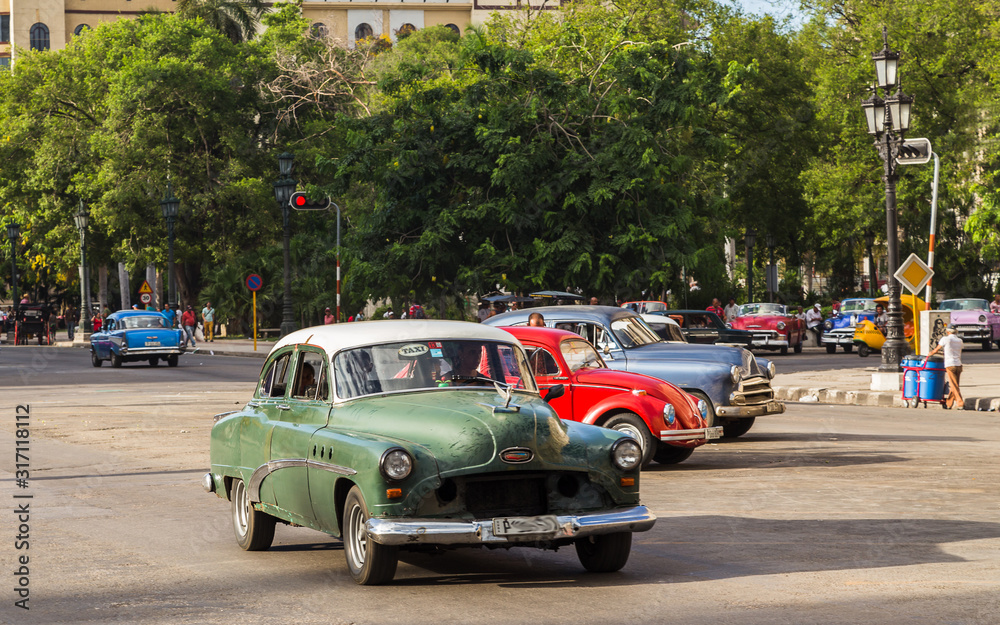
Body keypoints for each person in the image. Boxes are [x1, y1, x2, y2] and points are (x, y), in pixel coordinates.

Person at [926, 324, 964, 409]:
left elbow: (936, 349)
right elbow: (954, 351)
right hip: (959, 364)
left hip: (950, 364)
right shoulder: (959, 340)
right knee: (955, 384)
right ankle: (949, 403)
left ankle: (960, 402)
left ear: (947, 331)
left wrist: (931, 353)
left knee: (953, 385)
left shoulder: (945, 339)